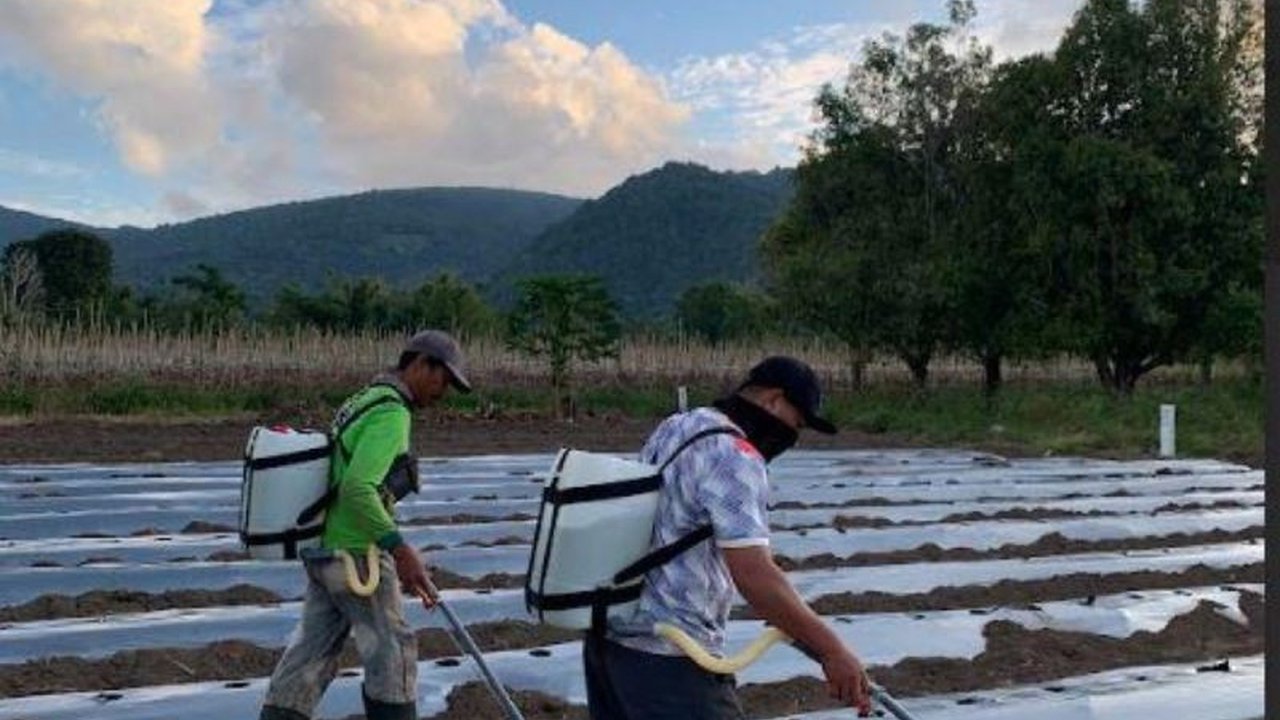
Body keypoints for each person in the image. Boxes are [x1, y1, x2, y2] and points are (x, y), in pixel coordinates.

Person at [585, 355, 873, 719]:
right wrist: (833, 650)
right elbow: (754, 575)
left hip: (611, 645)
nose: (792, 436)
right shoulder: (735, 456)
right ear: (773, 400)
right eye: (796, 422)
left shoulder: (679, 426)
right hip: (672, 658)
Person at [259, 330, 472, 720]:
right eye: (444, 380)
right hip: (359, 556)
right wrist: (399, 549)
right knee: (393, 653)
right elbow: (357, 488)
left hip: (326, 551)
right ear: (421, 364)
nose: (443, 392)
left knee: (310, 655)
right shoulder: (392, 413)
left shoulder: (363, 399)